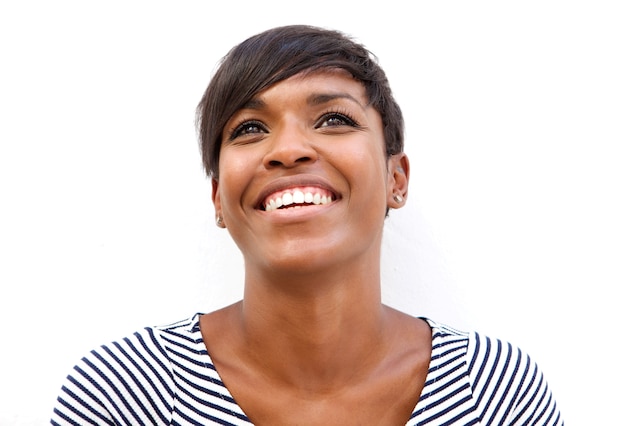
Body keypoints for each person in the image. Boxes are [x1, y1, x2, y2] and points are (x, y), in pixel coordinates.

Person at [50, 25, 563, 425]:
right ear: (219, 200)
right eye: (250, 128)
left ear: (396, 178)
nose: (290, 150)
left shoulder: (499, 393)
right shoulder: (122, 395)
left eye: (334, 119)